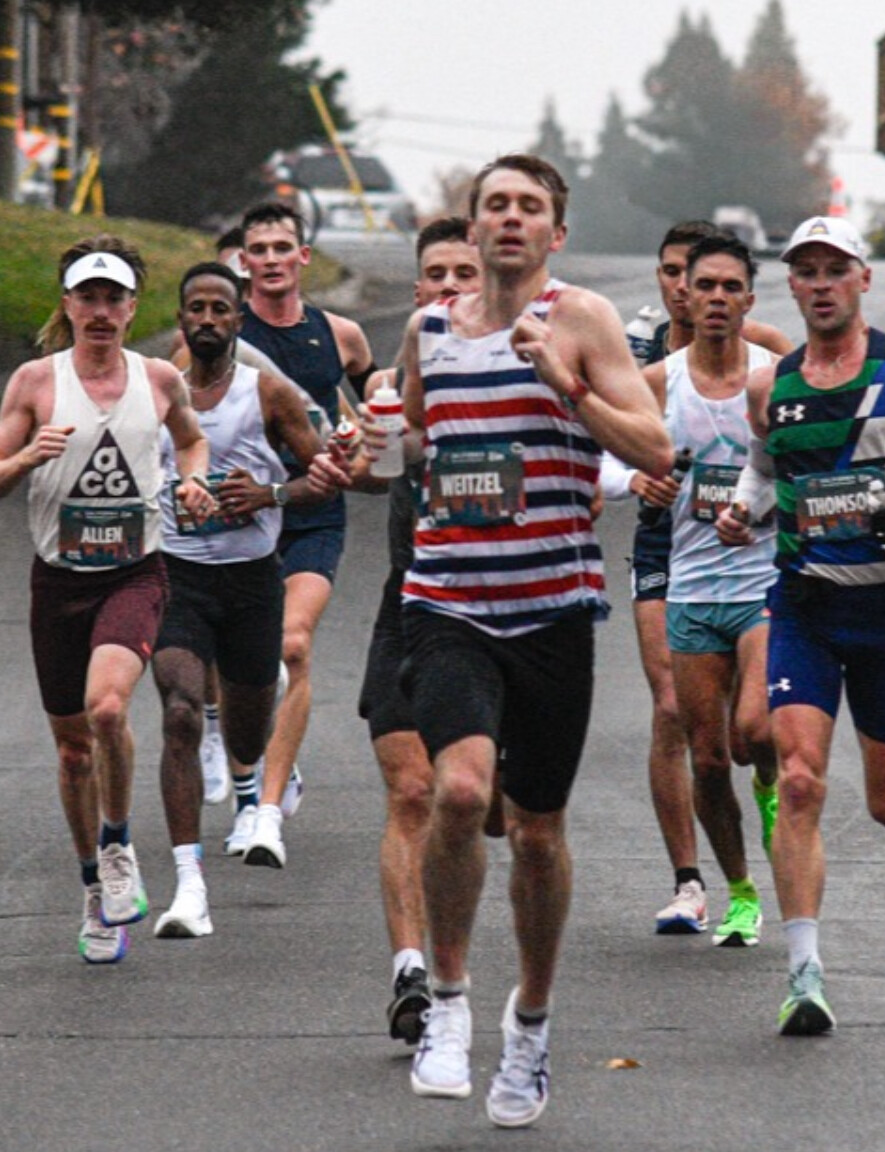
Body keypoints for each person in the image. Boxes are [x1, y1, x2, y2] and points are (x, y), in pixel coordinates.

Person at [398, 154, 672, 1126]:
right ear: (472, 228)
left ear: (555, 233)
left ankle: (532, 1026)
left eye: (529, 208)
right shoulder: (429, 330)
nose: (510, 219)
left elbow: (655, 449)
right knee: (460, 792)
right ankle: (449, 1003)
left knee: (540, 834)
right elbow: (417, 439)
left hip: (552, 610)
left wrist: (564, 385)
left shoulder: (583, 320)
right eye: (495, 206)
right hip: (447, 602)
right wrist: (377, 451)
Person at [717, 216, 885, 1035]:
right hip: (805, 605)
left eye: (836, 269)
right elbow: (762, 473)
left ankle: (807, 963)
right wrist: (740, 513)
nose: (822, 284)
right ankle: (804, 975)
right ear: (792, 285)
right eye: (808, 271)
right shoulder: (771, 387)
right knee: (799, 779)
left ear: (863, 279)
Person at [0, 236, 212, 964]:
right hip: (58, 582)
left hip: (134, 573)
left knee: (108, 708)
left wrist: (192, 481)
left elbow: (192, 442)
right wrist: (27, 456)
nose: (101, 312)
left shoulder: (159, 379)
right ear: (68, 305)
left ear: (133, 308)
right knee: (74, 750)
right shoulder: (34, 383)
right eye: (88, 298)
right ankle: (92, 892)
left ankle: (117, 845)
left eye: (114, 299)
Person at [602, 221, 791, 933]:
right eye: (700, 283)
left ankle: (769, 785)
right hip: (685, 573)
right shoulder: (656, 379)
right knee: (705, 756)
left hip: (763, 575)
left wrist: (762, 508)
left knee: (754, 731)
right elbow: (600, 453)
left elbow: (813, 455)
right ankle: (734, 891)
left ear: (748, 298)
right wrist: (634, 481)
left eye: (727, 287)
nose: (712, 296)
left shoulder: (776, 370)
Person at [151, 262, 329, 934]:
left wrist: (268, 494)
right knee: (179, 712)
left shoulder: (268, 392)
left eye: (219, 309)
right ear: (180, 319)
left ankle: (254, 781)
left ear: (237, 320)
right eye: (195, 308)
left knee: (248, 734)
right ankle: (188, 886)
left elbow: (325, 476)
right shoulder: (157, 389)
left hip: (251, 580)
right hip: (177, 576)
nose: (207, 319)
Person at [341, 216, 483, 1044]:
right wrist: (350, 458)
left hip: (500, 607)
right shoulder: (395, 381)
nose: (449, 287)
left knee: (482, 807)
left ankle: (452, 956)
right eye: (436, 274)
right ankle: (410, 971)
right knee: (411, 790)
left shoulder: (522, 368)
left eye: (466, 272)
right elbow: (374, 473)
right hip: (411, 601)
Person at [233, 201, 376, 866]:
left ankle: (265, 813)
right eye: (258, 250)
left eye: (281, 248)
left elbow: (383, 412)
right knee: (241, 664)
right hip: (242, 516)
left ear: (303, 257)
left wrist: (363, 453)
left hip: (315, 511)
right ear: (243, 262)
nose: (271, 260)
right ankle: (250, 771)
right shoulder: (223, 333)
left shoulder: (342, 335)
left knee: (291, 644)